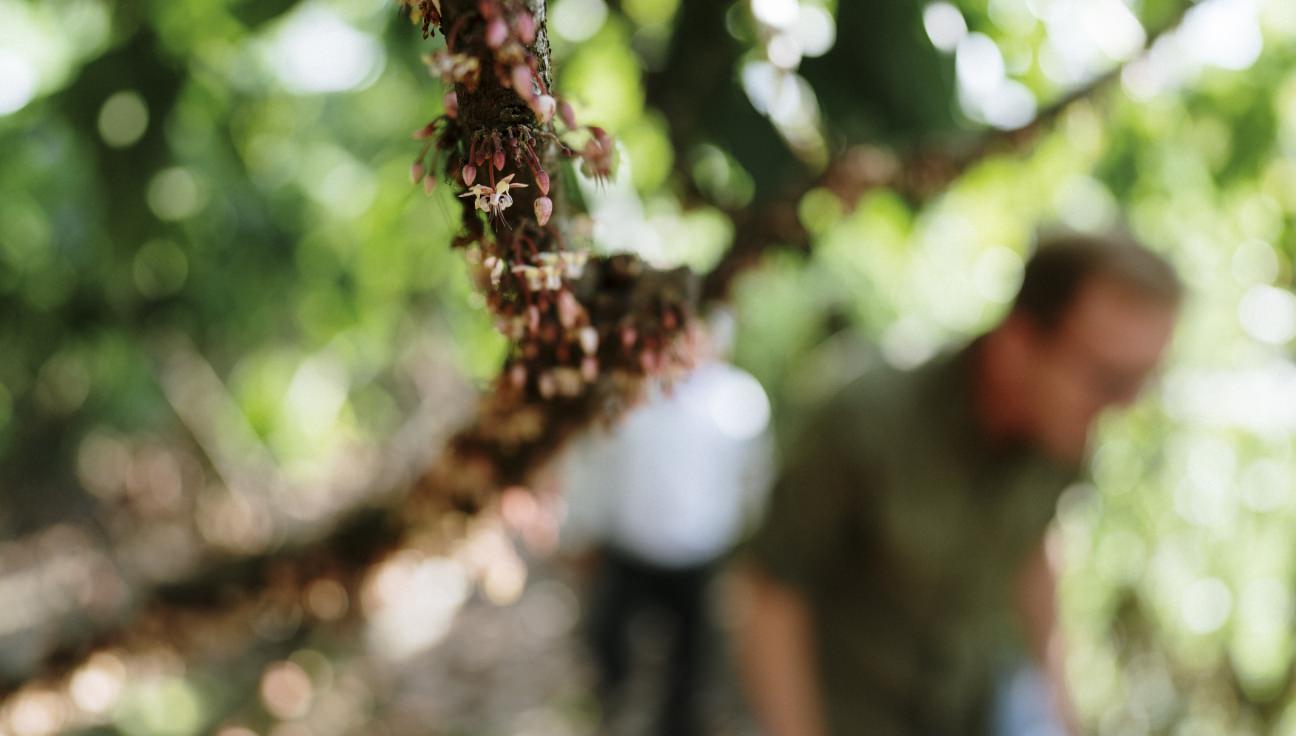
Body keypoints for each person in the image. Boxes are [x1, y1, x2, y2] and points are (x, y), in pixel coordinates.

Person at [737, 231, 1182, 736]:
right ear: (1019, 342)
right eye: (1108, 378)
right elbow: (769, 589)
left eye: (1143, 381)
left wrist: (1062, 709)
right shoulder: (866, 420)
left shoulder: (1063, 436)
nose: (1125, 407)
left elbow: (1033, 551)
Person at [558, 312, 773, 735]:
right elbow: (595, 468)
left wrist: (753, 556)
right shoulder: (628, 395)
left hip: (701, 559)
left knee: (691, 669)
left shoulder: (740, 401)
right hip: (628, 552)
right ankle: (610, 712)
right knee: (608, 648)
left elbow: (758, 480)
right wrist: (579, 532)